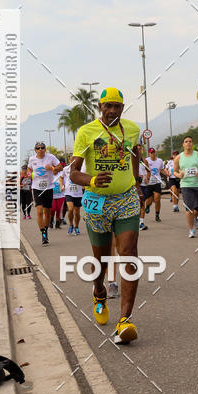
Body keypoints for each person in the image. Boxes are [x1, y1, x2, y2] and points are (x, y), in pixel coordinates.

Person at [69, 87, 142, 341]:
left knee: (129, 254)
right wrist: (91, 179)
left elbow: (136, 152)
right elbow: (73, 173)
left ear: (123, 108)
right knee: (101, 261)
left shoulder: (132, 129)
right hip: (97, 202)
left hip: (126, 200)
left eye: (117, 106)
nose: (112, 110)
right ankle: (99, 290)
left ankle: (124, 321)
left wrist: (137, 183)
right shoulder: (86, 132)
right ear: (100, 106)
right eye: (107, 105)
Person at [27, 143, 63, 245]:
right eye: (38, 148)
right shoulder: (32, 159)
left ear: (45, 149)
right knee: (39, 210)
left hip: (48, 187)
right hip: (37, 187)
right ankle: (43, 234)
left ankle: (46, 231)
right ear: (35, 150)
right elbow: (29, 169)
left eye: (42, 148)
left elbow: (60, 167)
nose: (40, 150)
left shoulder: (51, 157)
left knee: (47, 212)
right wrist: (29, 173)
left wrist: (52, 168)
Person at [174, 136, 198, 238]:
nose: (188, 143)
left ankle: (195, 217)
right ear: (183, 144)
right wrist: (179, 175)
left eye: (190, 142)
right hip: (186, 185)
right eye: (186, 142)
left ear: (192, 144)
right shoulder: (179, 157)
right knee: (189, 209)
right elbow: (174, 171)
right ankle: (191, 230)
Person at [143, 147, 167, 223]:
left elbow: (162, 170)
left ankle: (157, 215)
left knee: (157, 199)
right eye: (151, 153)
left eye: (153, 152)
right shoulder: (146, 160)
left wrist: (167, 174)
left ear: (155, 153)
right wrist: (146, 178)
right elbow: (144, 171)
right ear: (149, 153)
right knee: (149, 201)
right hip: (149, 183)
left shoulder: (160, 161)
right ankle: (148, 206)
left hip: (157, 182)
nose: (152, 154)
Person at [61, 158, 83, 235]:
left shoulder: (80, 169)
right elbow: (61, 177)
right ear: (70, 160)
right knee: (70, 209)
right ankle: (71, 225)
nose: (73, 161)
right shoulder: (66, 169)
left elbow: (83, 178)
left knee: (77, 212)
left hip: (78, 193)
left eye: (75, 159)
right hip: (68, 192)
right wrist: (61, 186)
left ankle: (76, 226)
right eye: (72, 159)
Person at [50, 163, 66, 229]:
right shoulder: (49, 176)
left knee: (58, 210)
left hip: (61, 195)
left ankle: (57, 224)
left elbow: (64, 183)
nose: (55, 171)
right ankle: (51, 221)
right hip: (52, 196)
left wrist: (63, 187)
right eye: (54, 170)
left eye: (56, 170)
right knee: (53, 209)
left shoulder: (61, 175)